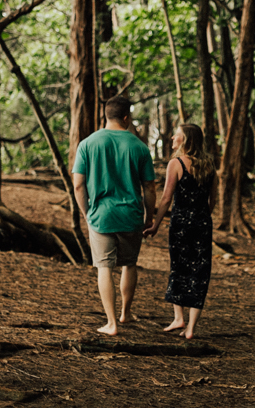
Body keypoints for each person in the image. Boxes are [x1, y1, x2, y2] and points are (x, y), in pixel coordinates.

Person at [72, 95, 156, 335]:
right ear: (127, 118)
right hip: (131, 215)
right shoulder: (139, 147)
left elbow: (78, 184)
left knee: (104, 268)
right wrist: (149, 217)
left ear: (106, 116)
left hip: (101, 216)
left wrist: (87, 213)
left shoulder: (88, 144)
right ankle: (125, 313)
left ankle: (111, 323)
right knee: (129, 264)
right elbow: (149, 187)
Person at [145, 123, 215, 339]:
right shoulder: (210, 165)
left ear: (185, 140)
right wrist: (202, 215)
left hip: (181, 224)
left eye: (177, 135)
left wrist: (155, 224)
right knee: (200, 272)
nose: (173, 138)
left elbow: (166, 198)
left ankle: (178, 317)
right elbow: (213, 200)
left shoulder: (176, 163)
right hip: (203, 223)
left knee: (179, 267)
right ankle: (189, 327)